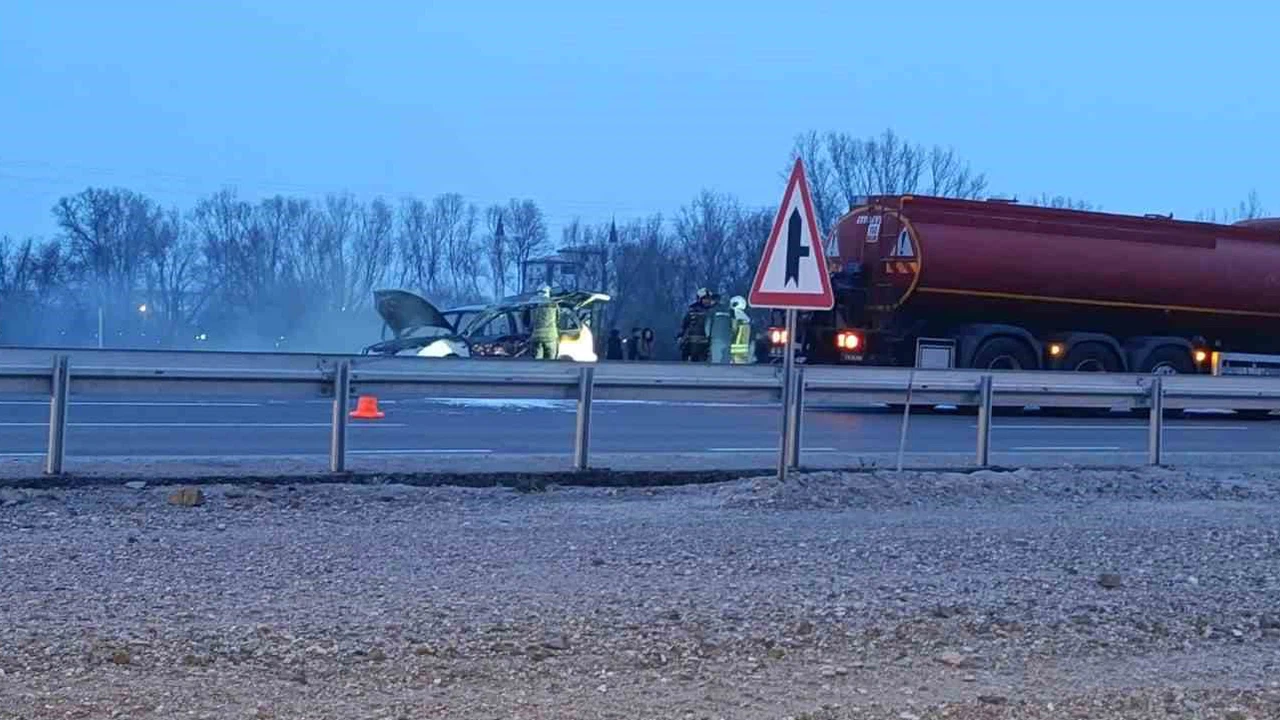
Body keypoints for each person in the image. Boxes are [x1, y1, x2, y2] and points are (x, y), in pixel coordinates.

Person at [678, 288, 715, 361]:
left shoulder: (713, 311)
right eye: (705, 299)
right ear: (699, 299)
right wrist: (681, 337)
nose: (707, 301)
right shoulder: (692, 311)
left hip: (708, 345)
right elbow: (684, 325)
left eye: (709, 299)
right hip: (692, 345)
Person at [529, 285, 559, 359]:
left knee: (537, 361)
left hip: (536, 337)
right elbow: (558, 318)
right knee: (550, 361)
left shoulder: (532, 304)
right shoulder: (554, 304)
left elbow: (525, 319)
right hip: (551, 337)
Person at [706, 293, 734, 364]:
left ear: (713, 301)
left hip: (716, 339)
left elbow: (707, 326)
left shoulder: (711, 310)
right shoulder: (728, 311)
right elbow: (733, 325)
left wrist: (708, 337)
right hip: (727, 339)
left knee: (716, 362)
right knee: (726, 361)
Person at [729, 295, 753, 364]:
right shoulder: (746, 319)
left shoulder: (735, 316)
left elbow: (733, 331)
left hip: (734, 354)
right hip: (743, 354)